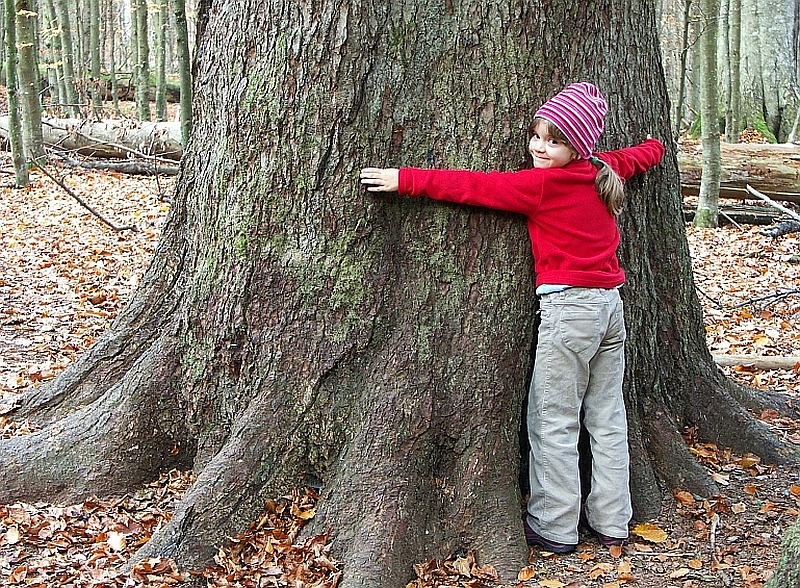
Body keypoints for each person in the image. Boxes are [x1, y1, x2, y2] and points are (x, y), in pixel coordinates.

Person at [360, 82, 665, 554]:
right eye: (537, 136)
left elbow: (474, 186)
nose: (540, 148)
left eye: (555, 141)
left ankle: (555, 525)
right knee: (607, 419)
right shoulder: (604, 170)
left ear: (578, 146)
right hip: (609, 309)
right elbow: (637, 156)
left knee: (554, 419)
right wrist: (658, 146)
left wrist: (406, 179)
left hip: (570, 312)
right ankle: (612, 520)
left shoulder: (541, 186)